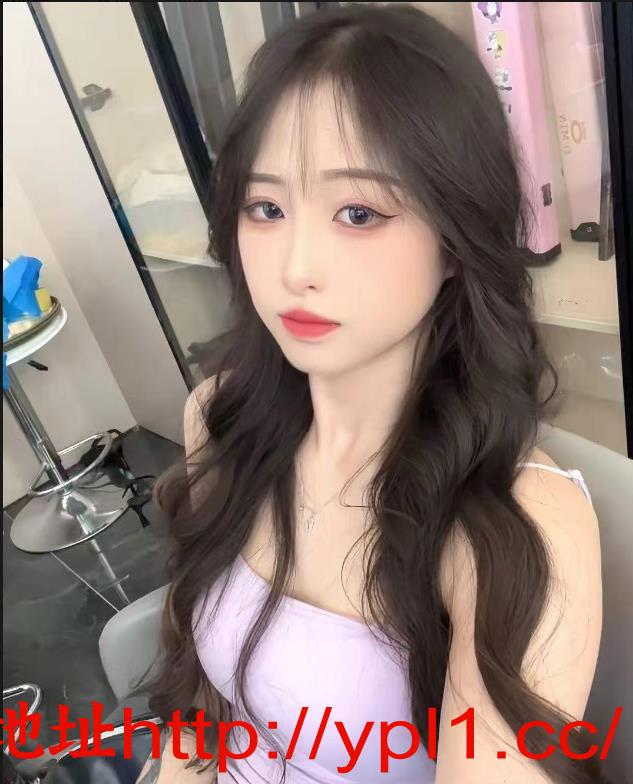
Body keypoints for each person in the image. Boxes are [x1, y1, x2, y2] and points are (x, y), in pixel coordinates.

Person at [137, 4, 604, 783]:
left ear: (455, 240)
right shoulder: (221, 419)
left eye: (358, 213)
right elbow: (198, 712)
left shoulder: (511, 525)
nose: (294, 267)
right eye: (265, 208)